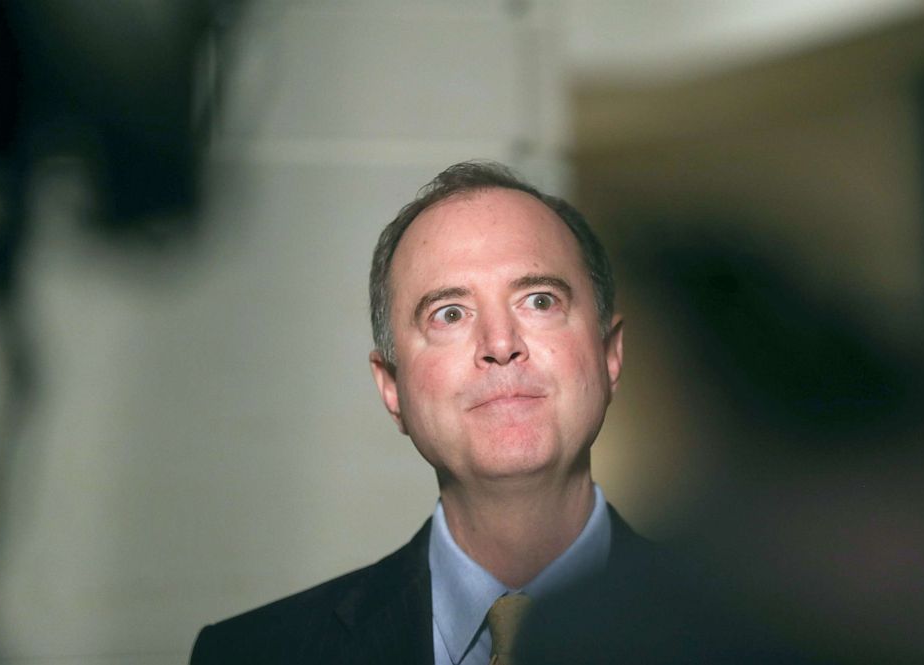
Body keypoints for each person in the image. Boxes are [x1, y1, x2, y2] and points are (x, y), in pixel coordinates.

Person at [189, 160, 654, 664]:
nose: (500, 343)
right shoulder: (250, 655)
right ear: (392, 388)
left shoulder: (748, 635)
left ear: (610, 355)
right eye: (449, 314)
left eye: (539, 300)